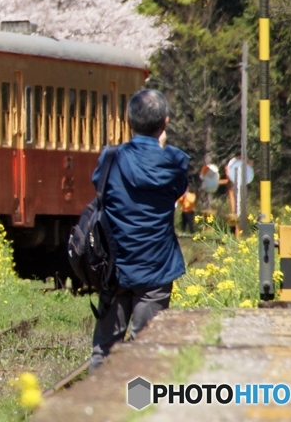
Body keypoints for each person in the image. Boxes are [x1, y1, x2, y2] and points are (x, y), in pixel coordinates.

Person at [89, 89, 189, 372]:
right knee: (147, 349)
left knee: (105, 350)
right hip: (156, 270)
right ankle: (140, 409)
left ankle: (98, 409)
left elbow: (99, 186)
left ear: (128, 120)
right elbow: (177, 190)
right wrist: (161, 147)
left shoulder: (110, 159)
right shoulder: (175, 162)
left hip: (114, 268)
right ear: (165, 123)